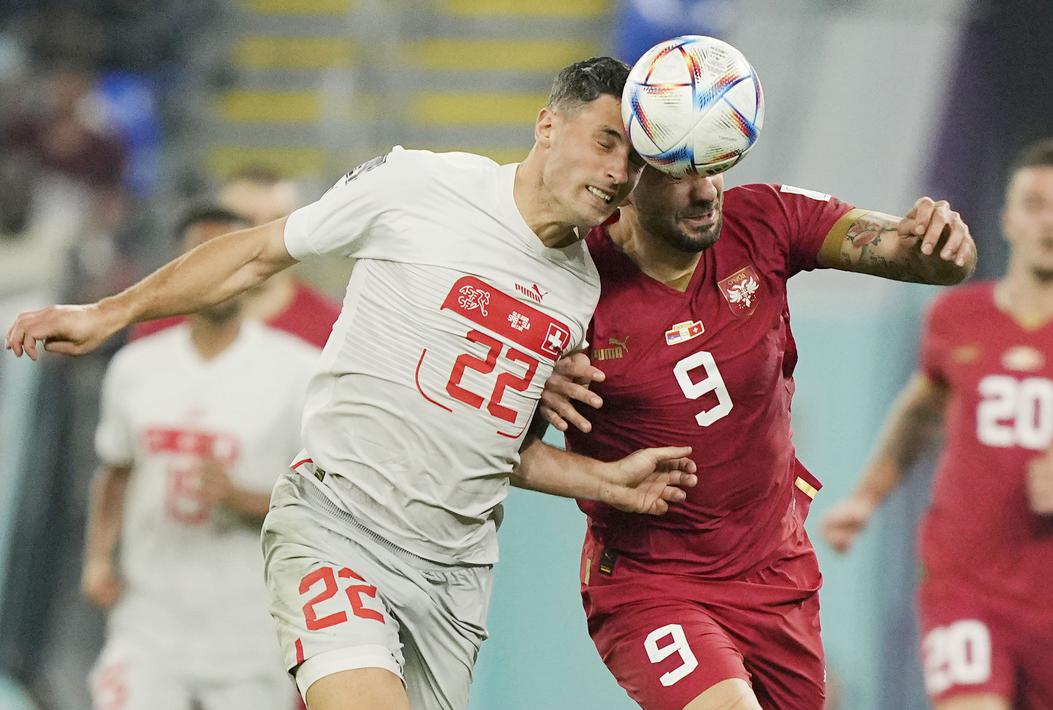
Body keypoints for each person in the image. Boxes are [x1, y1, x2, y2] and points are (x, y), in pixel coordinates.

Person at [7, 57, 698, 710]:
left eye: (634, 161)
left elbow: (499, 454)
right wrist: (110, 312)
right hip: (339, 526)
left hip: (455, 577)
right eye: (607, 142)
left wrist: (603, 481)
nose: (617, 173)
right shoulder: (420, 188)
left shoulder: (579, 290)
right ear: (548, 124)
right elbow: (255, 254)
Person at [537, 162, 976, 709]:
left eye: (713, 168)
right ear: (626, 181)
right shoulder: (568, 288)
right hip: (652, 582)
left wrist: (942, 243)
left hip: (775, 574)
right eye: (676, 175)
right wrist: (601, 477)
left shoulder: (762, 219)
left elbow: (928, 261)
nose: (704, 191)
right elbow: (500, 451)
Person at [821, 139, 1053, 710]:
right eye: (1036, 204)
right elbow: (923, 411)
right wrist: (866, 498)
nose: (1051, 221)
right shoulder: (954, 317)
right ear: (1009, 219)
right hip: (961, 580)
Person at [82, 205, 316, 710]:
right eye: (199, 259)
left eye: (225, 257)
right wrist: (99, 556)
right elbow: (117, 470)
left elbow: (322, 504)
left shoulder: (298, 372)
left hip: (250, 628)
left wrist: (242, 497)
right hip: (150, 619)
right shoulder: (135, 367)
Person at [130, 165, 342, 348]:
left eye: (279, 222)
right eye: (247, 222)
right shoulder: (161, 329)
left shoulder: (333, 329)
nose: (263, 239)